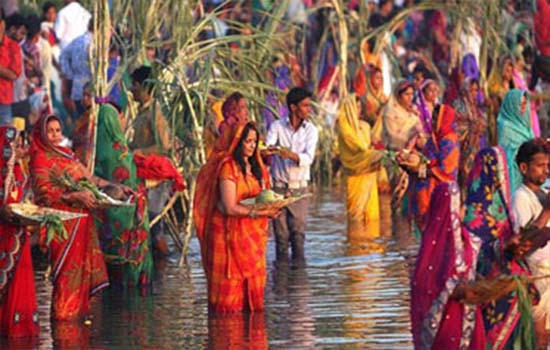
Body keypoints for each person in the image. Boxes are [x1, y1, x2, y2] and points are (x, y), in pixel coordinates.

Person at [29, 114, 119, 321]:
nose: (54, 135)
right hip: (62, 222)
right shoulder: (39, 158)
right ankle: (63, 319)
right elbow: (44, 194)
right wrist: (74, 196)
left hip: (82, 222)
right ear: (41, 133)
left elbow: (90, 178)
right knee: (65, 276)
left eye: (57, 131)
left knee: (82, 277)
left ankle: (77, 317)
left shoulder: (67, 154)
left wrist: (114, 187)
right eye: (50, 131)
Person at [193, 122, 279, 313]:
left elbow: (263, 196)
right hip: (228, 238)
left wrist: (273, 207)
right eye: (247, 141)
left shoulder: (258, 168)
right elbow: (229, 206)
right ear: (237, 142)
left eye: (254, 141)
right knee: (228, 305)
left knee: (254, 303)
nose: (251, 146)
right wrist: (261, 212)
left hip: (253, 238)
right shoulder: (228, 168)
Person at [463, 146, 538, 349]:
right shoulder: (474, 215)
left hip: (513, 291)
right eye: (502, 172)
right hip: (494, 295)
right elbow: (477, 252)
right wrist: (504, 246)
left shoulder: (503, 211)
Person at [410, 182, 486, 350]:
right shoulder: (433, 248)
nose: (462, 211)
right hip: (445, 325)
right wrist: (459, 289)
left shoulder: (467, 241)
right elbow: (427, 288)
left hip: (467, 319)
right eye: (459, 206)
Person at [94, 103, 153, 291]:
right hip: (128, 215)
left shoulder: (95, 151)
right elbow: (131, 182)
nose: (122, 120)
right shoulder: (121, 151)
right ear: (113, 122)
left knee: (112, 263)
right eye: (119, 117)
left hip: (108, 218)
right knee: (130, 263)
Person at [265, 87, 318, 263]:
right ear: (293, 107)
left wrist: (289, 155)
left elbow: (308, 158)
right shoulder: (277, 126)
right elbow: (268, 147)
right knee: (281, 238)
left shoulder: (311, 130)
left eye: (308, 106)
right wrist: (271, 151)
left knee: (298, 236)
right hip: (278, 188)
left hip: (299, 189)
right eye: (305, 106)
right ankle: (281, 282)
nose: (308, 110)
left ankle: (297, 282)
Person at [398, 79, 459, 232]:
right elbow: (426, 158)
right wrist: (407, 163)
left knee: (437, 233)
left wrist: (421, 170)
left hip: (440, 193)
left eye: (436, 118)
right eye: (432, 117)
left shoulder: (449, 141)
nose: (432, 121)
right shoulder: (434, 138)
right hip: (425, 193)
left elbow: (446, 170)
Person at [0, 125, 39, 338]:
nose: (19, 149)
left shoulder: (18, 172)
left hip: (19, 238)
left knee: (21, 285)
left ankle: (19, 332)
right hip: (5, 238)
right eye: (15, 146)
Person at [129, 65, 172, 255]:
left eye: (134, 85)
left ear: (142, 87)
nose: (131, 90)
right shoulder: (142, 112)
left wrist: (139, 151)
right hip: (144, 173)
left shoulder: (156, 111)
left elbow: (164, 146)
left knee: (155, 225)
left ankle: (165, 268)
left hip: (156, 176)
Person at [512, 139, 550, 348]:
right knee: (539, 338)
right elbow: (523, 243)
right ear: (524, 168)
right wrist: (546, 212)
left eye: (547, 166)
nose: (545, 171)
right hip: (535, 275)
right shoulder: (521, 197)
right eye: (539, 166)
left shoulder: (543, 195)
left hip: (548, 272)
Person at [336, 95, 384, 237]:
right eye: (354, 107)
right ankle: (356, 248)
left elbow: (370, 144)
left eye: (359, 107)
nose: (357, 110)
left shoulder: (365, 126)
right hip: (355, 173)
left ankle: (371, 250)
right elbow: (359, 147)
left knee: (372, 217)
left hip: (368, 173)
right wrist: (377, 154)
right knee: (356, 217)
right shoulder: (345, 128)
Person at [453, 78, 487, 193]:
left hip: (474, 147)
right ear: (464, 90)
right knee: (463, 176)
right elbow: (456, 127)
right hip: (462, 149)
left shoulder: (475, 107)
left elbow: (481, 124)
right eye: (471, 90)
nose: (474, 93)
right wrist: (472, 128)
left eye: (476, 90)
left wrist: (479, 127)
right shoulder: (458, 105)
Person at [497, 89, 535, 195]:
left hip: (527, 169)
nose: (523, 108)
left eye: (524, 104)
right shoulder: (505, 125)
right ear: (512, 105)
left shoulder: (525, 124)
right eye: (520, 105)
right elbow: (507, 151)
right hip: (514, 172)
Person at [58, 17, 92, 118]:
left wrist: (70, 75)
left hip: (77, 87)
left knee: (79, 121)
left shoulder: (78, 40)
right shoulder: (98, 44)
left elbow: (63, 56)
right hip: (92, 90)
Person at [0, 10, 22, 125]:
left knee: (5, 137)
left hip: (3, 101)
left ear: (2, 24)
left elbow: (14, 74)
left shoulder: (13, 47)